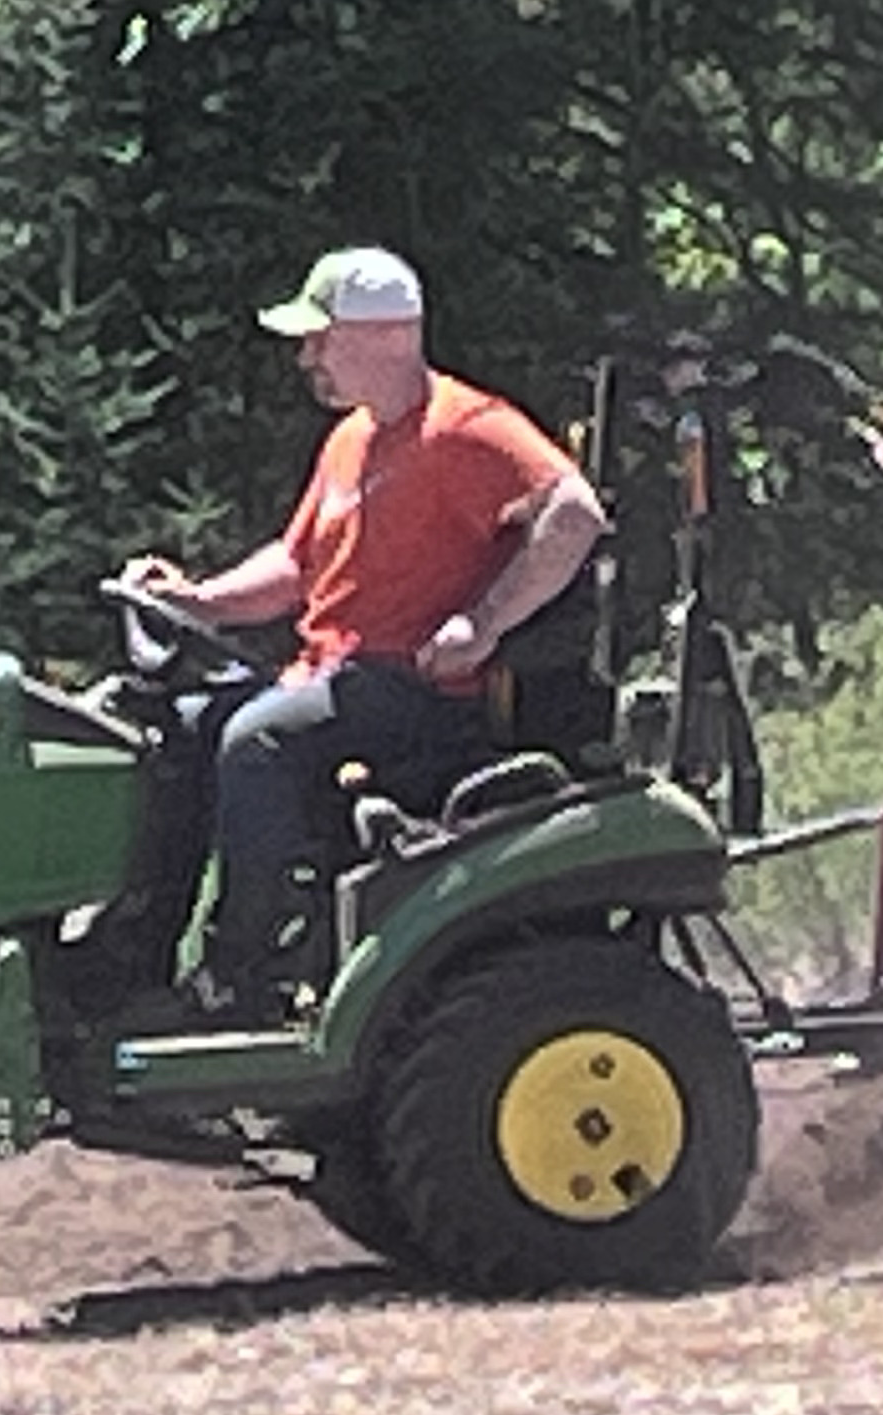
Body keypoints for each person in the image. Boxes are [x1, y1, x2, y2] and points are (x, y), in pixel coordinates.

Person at [115, 246, 607, 1016]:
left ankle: (240, 974)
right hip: (333, 677)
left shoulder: (465, 428)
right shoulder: (350, 440)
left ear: (388, 335)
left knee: (257, 742)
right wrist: (199, 601)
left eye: (321, 338)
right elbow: (296, 564)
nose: (306, 357)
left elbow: (573, 513)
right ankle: (130, 959)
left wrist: (482, 624)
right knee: (173, 728)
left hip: (416, 691)